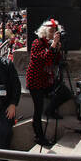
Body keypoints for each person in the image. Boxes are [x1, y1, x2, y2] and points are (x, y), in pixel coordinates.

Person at [24, 20, 64, 148]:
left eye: (54, 31)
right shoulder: (37, 43)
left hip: (46, 80)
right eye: (51, 31)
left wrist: (57, 49)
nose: (53, 33)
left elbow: (55, 61)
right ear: (45, 31)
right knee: (38, 110)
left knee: (64, 92)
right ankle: (39, 136)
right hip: (35, 82)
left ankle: (50, 110)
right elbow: (44, 59)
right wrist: (53, 46)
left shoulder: (50, 44)